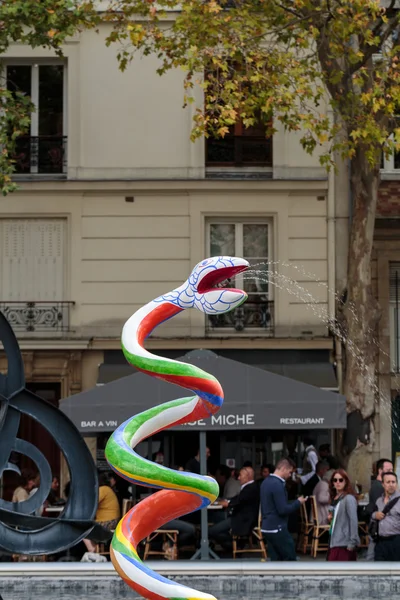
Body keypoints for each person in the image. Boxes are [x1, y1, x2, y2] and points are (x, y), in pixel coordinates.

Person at [260, 458, 307, 561]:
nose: (290, 475)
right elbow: (282, 509)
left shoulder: (265, 482)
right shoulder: (277, 484)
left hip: (266, 527)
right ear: (284, 468)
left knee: (275, 560)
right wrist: (298, 502)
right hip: (277, 528)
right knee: (290, 559)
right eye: (290, 472)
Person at [209, 466, 260, 551]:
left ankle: (234, 543)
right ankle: (234, 543)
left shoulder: (251, 488)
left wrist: (227, 503)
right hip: (237, 516)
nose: (238, 478)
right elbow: (238, 498)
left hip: (241, 519)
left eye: (240, 475)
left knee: (211, 531)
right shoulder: (250, 486)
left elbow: (239, 500)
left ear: (248, 476)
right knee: (216, 518)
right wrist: (226, 501)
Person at [327, 469, 359, 561]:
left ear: (346, 482)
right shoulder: (335, 497)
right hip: (334, 540)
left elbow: (353, 520)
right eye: (335, 480)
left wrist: (352, 542)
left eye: (341, 480)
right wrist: (331, 519)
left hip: (344, 543)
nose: (338, 482)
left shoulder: (348, 498)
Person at [83, 472, 121, 553]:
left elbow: (91, 503)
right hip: (112, 521)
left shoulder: (103, 489)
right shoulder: (107, 489)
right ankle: (94, 548)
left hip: (108, 522)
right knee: (85, 526)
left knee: (81, 529)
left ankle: (92, 549)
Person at [365, 457, 393, 560]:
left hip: (380, 527)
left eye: (392, 470)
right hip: (378, 527)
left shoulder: (380, 485)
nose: (391, 472)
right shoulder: (378, 487)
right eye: (388, 470)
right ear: (380, 471)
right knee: (372, 556)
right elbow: (383, 507)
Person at [372, 471, 400, 561]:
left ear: (396, 484)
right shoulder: (378, 501)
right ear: (383, 484)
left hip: (396, 542)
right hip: (380, 542)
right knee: (379, 571)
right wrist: (374, 515)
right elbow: (372, 518)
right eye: (388, 482)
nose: (391, 484)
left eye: (393, 482)